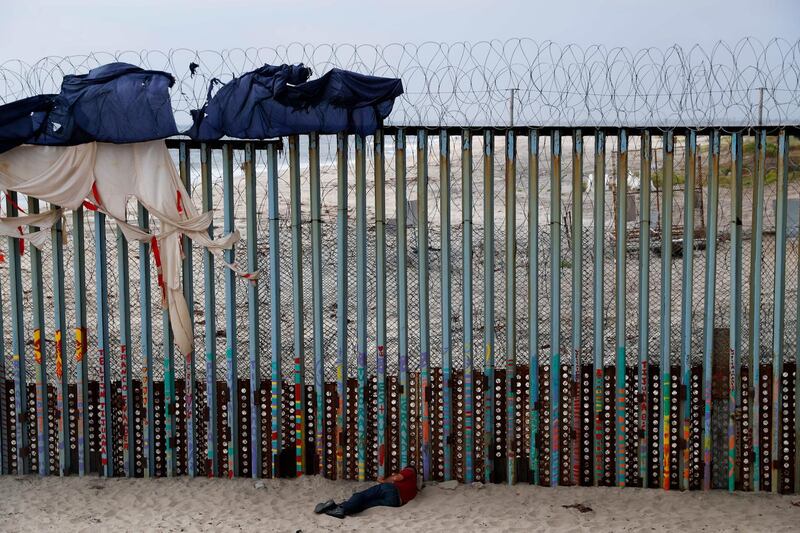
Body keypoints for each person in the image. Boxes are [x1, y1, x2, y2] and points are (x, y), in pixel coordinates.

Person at [314, 466, 418, 519]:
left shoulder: (410, 471)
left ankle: (340, 508)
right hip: (395, 502)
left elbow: (397, 477)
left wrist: (384, 481)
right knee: (365, 504)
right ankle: (339, 508)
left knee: (362, 496)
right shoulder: (415, 490)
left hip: (391, 489)